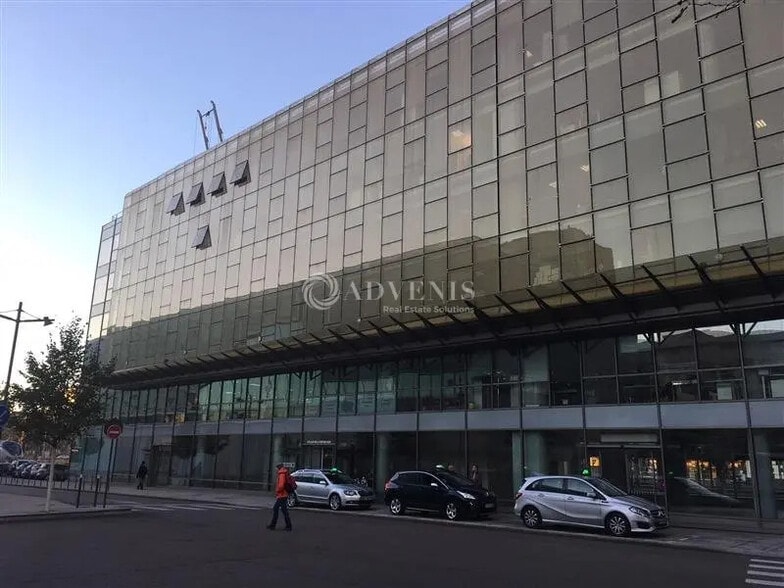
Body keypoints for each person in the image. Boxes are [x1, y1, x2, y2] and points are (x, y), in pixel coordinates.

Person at [267, 464, 294, 531]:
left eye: (276, 468)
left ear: (278, 468)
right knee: (280, 510)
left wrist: (277, 491)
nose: (275, 470)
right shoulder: (284, 473)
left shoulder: (281, 474)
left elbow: (281, 486)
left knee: (278, 509)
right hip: (283, 495)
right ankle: (274, 525)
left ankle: (286, 526)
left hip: (282, 495)